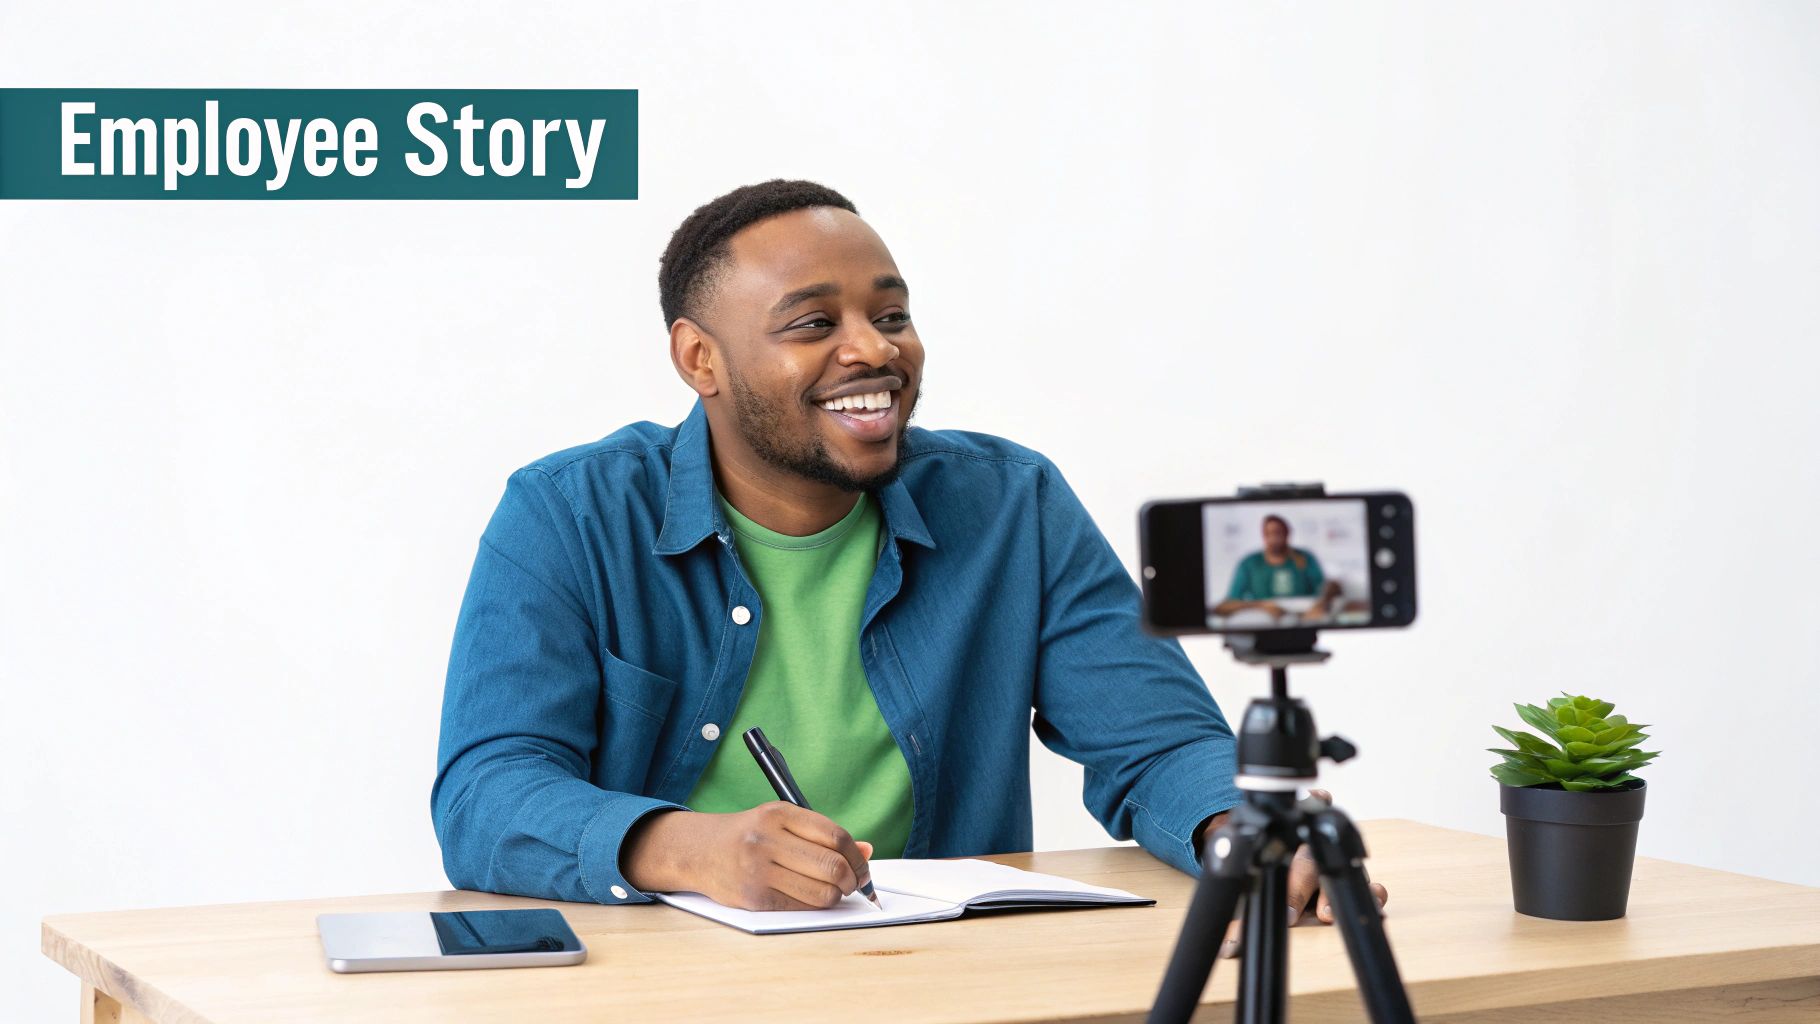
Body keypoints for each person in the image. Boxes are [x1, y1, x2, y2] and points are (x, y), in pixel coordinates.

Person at [430, 180, 1385, 954]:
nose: (874, 349)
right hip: (664, 980)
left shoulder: (1011, 503)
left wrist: (1235, 831)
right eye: (813, 324)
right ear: (699, 360)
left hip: (935, 974)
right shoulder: (567, 513)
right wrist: (689, 848)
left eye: (891, 314)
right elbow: (486, 790)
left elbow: (1159, 740)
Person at [1213, 514, 1343, 622]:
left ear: (1287, 534)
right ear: (1264, 536)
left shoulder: (1304, 558)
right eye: (1269, 533)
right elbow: (1226, 606)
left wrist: (1322, 603)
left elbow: (1329, 587)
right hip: (1264, 619)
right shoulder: (1250, 563)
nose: (1274, 537)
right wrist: (1261, 606)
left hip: (1304, 618)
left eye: (1278, 532)